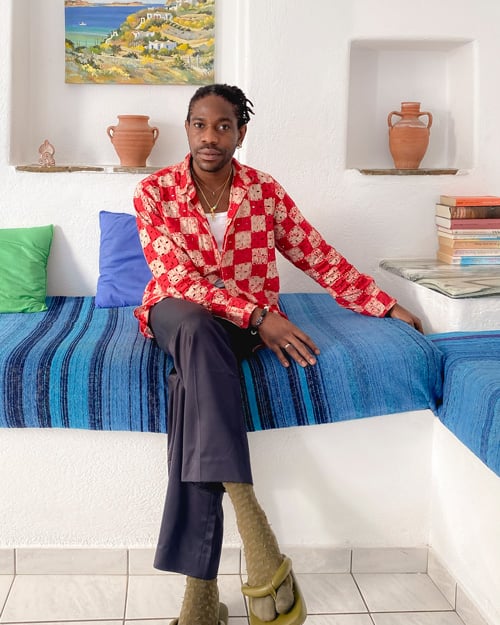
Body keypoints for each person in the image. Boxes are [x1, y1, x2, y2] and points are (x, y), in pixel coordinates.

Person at [133, 83, 422, 625]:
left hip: (234, 328)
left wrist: (383, 304)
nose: (210, 136)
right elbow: (177, 279)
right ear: (187, 129)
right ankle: (253, 524)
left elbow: (317, 255)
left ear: (240, 133)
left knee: (190, 389)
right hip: (176, 313)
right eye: (200, 125)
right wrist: (259, 317)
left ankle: (199, 603)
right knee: (195, 325)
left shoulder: (264, 191)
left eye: (223, 126)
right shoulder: (154, 192)